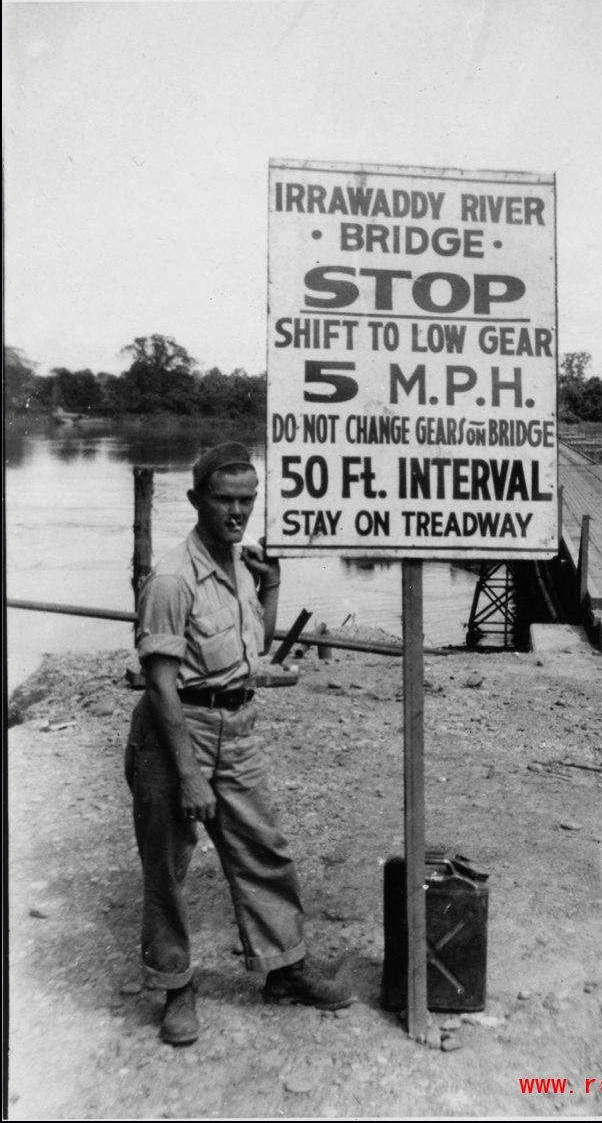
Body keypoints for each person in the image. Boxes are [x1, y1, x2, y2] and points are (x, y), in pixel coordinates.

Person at [125, 441, 351, 1045]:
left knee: (264, 850)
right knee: (166, 868)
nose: (237, 512)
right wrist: (190, 774)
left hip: (237, 725)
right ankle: (175, 988)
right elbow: (160, 684)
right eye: (224, 500)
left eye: (247, 500)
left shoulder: (238, 563)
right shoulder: (173, 578)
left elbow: (253, 653)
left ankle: (284, 969)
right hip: (178, 730)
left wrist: (271, 588)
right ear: (197, 499)